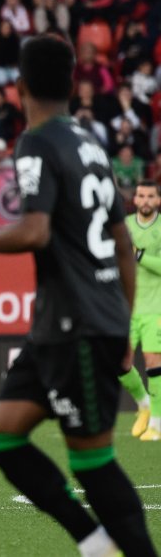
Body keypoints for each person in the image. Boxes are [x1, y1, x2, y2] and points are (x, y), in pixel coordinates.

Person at [0, 35, 155, 556]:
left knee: (92, 460)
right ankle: (95, 544)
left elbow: (35, 232)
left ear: (20, 88)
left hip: (76, 323)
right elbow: (123, 244)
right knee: (3, 438)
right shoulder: (88, 142)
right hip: (63, 324)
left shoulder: (36, 142)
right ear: (73, 83)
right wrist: (121, 324)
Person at [125, 181, 161, 441]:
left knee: (153, 362)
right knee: (118, 361)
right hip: (126, 307)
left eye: (151, 196)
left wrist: (138, 256)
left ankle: (157, 425)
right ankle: (144, 403)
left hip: (155, 307)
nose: (146, 200)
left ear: (158, 200)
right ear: (135, 200)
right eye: (141, 195)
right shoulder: (124, 226)